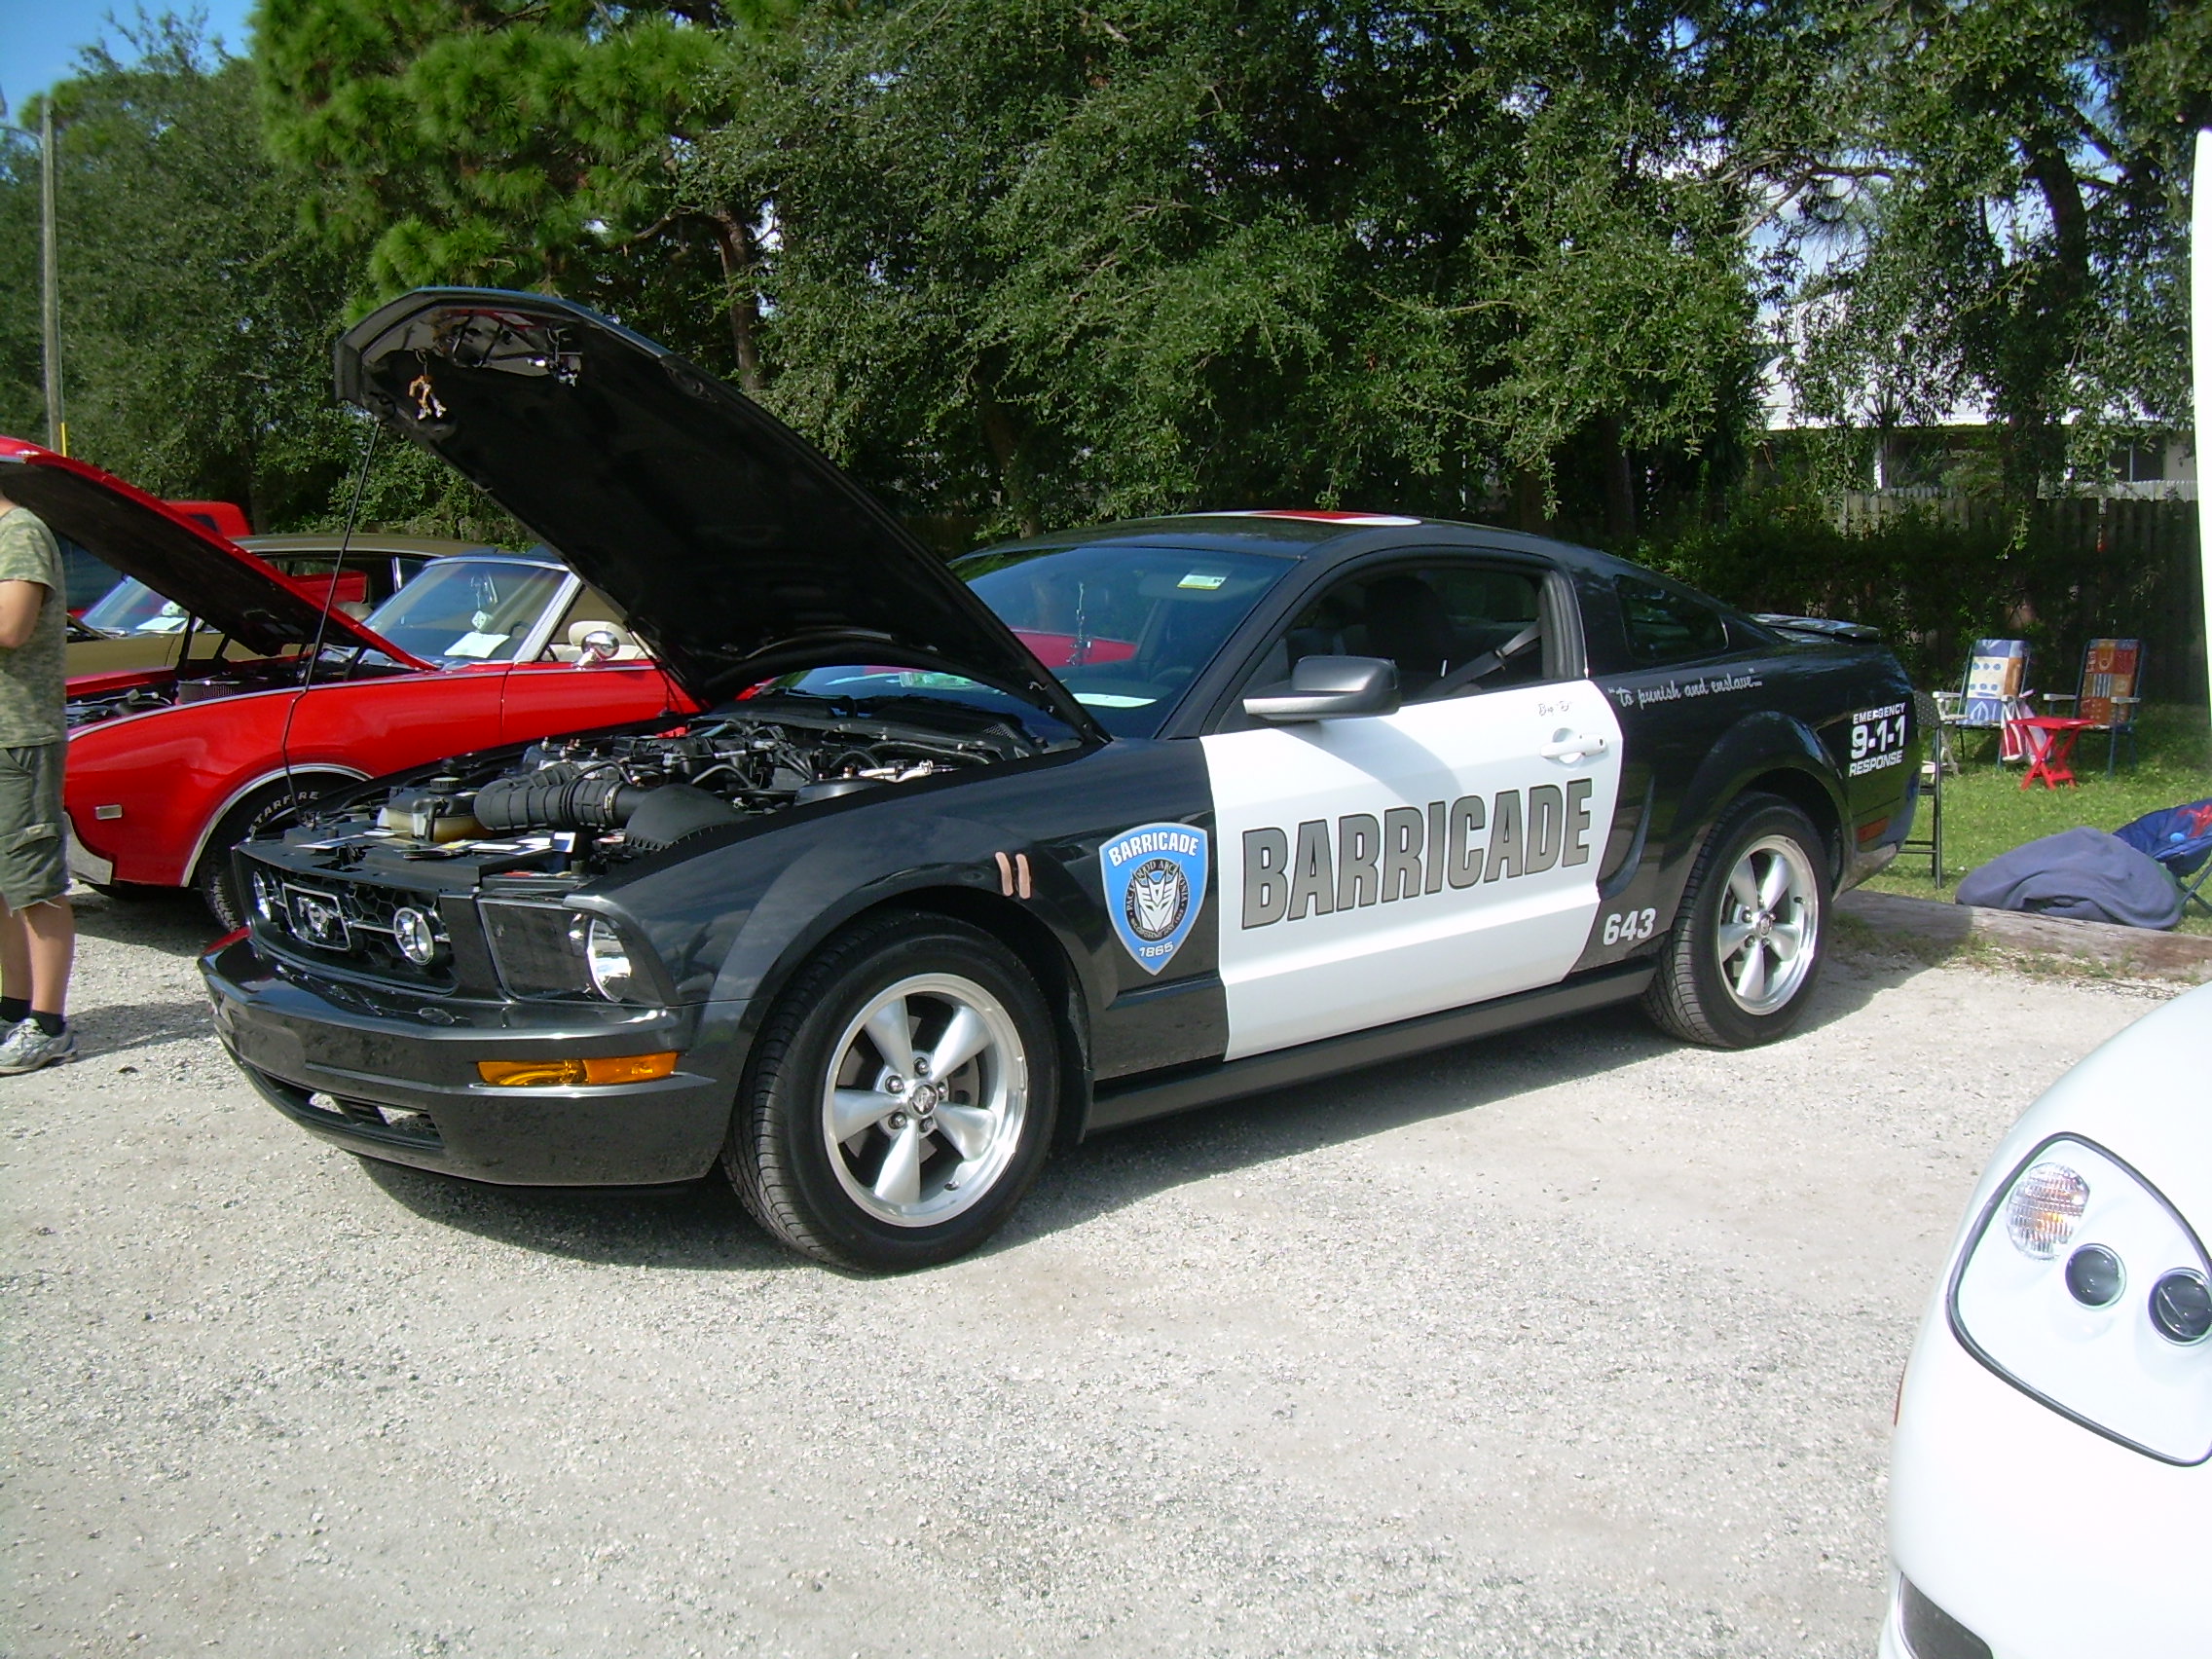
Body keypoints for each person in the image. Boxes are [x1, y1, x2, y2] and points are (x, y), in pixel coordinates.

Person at [0, 486, 76, 1073]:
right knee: (4, 886)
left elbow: (11, 626)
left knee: (34, 883)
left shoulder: (19, 532)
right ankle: (12, 1008)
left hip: (19, 739)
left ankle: (49, 1026)